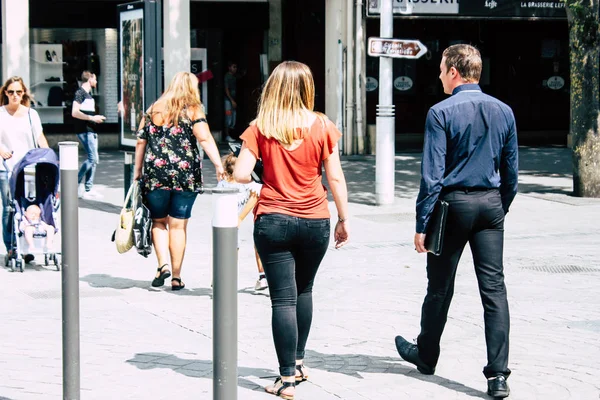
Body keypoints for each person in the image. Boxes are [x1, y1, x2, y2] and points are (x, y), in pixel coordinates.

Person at [394, 44, 518, 399]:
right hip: (491, 204)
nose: (438, 75)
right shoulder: (504, 111)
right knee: (494, 290)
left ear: (454, 72)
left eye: (441, 68)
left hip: (452, 206)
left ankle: (427, 354)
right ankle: (497, 376)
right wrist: (499, 207)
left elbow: (431, 176)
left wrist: (422, 223)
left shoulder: (439, 112)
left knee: (439, 286)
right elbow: (511, 173)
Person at [234, 61, 350, 399]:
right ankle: (298, 363)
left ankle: (285, 379)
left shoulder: (260, 127)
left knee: (281, 298)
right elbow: (336, 177)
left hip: (272, 220)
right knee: (304, 290)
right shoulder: (323, 125)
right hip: (315, 220)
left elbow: (241, 174)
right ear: (307, 88)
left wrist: (263, 174)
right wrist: (343, 218)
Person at [134, 71, 225, 290]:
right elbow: (204, 138)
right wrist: (219, 165)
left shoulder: (152, 109)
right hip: (185, 176)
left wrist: (137, 172)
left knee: (158, 221)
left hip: (156, 175)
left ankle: (162, 264)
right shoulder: (193, 110)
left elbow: (140, 142)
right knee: (178, 226)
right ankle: (176, 277)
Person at [0, 76, 50, 260]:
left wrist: (48, 155)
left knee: (29, 206)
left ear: (23, 94)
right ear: (5, 92)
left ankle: (27, 245)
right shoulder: (1, 113)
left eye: (18, 92)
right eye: (11, 92)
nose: (15, 95)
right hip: (6, 167)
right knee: (9, 208)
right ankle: (11, 247)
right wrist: (1, 150)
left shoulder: (31, 114)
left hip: (30, 167)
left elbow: (40, 137)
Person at [216, 152, 267, 291]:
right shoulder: (250, 184)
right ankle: (261, 276)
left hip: (223, 221)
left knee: (227, 248)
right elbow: (254, 197)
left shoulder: (222, 183)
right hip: (234, 221)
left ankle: (223, 278)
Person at [72, 70, 106, 200]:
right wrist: (92, 118)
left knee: (94, 159)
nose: (96, 82)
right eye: (95, 79)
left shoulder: (86, 94)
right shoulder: (80, 93)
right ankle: (76, 183)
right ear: (90, 79)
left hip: (90, 130)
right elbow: (74, 112)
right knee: (93, 158)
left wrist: (94, 118)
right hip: (86, 130)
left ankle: (88, 188)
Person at [223, 61, 238, 143]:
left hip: (232, 100)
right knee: (228, 117)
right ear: (229, 67)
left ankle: (230, 135)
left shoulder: (234, 77)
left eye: (236, 67)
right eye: (233, 67)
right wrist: (231, 100)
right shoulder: (227, 76)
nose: (235, 69)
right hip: (228, 101)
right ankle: (227, 135)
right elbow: (226, 89)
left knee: (233, 118)